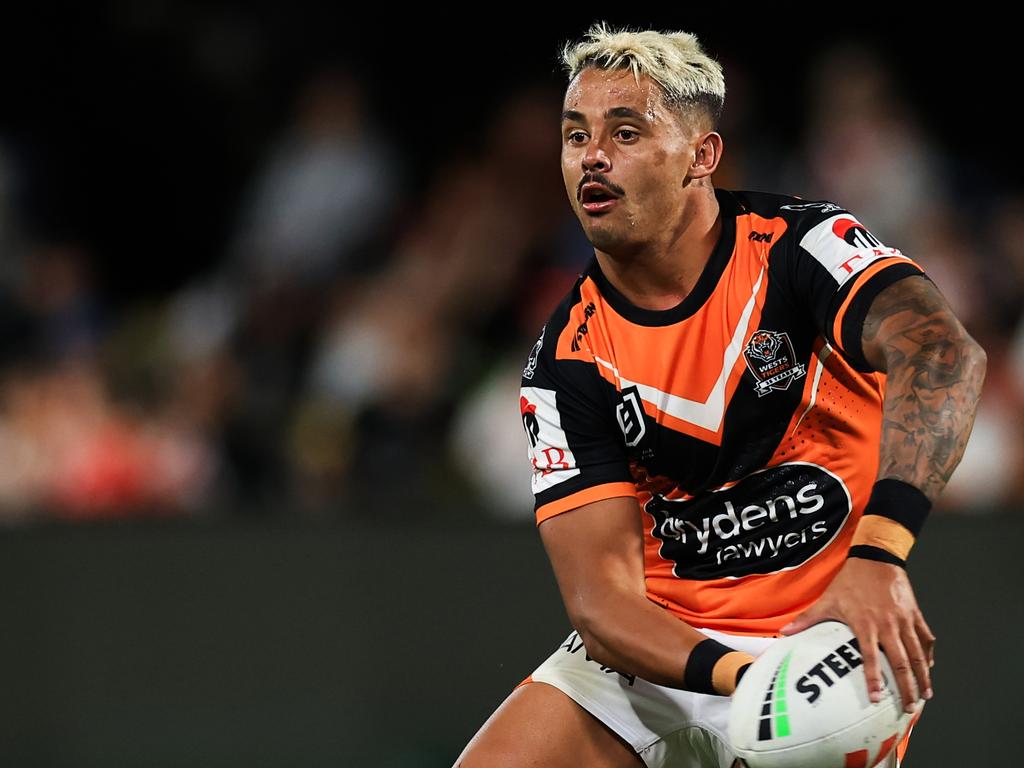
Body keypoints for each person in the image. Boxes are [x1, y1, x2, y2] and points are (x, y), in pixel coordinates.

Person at [454, 22, 986, 768]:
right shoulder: (564, 361)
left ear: (702, 156)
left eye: (627, 131)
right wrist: (746, 682)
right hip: (665, 655)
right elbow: (602, 606)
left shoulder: (804, 248)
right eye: (576, 136)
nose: (592, 156)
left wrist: (882, 554)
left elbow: (943, 352)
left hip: (820, 644)